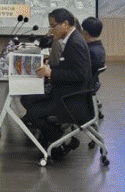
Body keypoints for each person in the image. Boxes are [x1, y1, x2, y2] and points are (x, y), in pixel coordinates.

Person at [21, 8, 92, 147]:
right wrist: (50, 70)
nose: (52, 30)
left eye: (53, 26)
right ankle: (56, 137)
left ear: (65, 24)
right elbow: (69, 68)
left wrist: (51, 73)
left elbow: (79, 75)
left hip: (71, 99)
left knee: (33, 113)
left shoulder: (75, 43)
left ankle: (62, 140)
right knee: (29, 100)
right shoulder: (72, 39)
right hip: (66, 92)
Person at [81, 17, 106, 91]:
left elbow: (79, 72)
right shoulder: (99, 47)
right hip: (92, 83)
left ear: (86, 33)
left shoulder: (89, 51)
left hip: (83, 85)